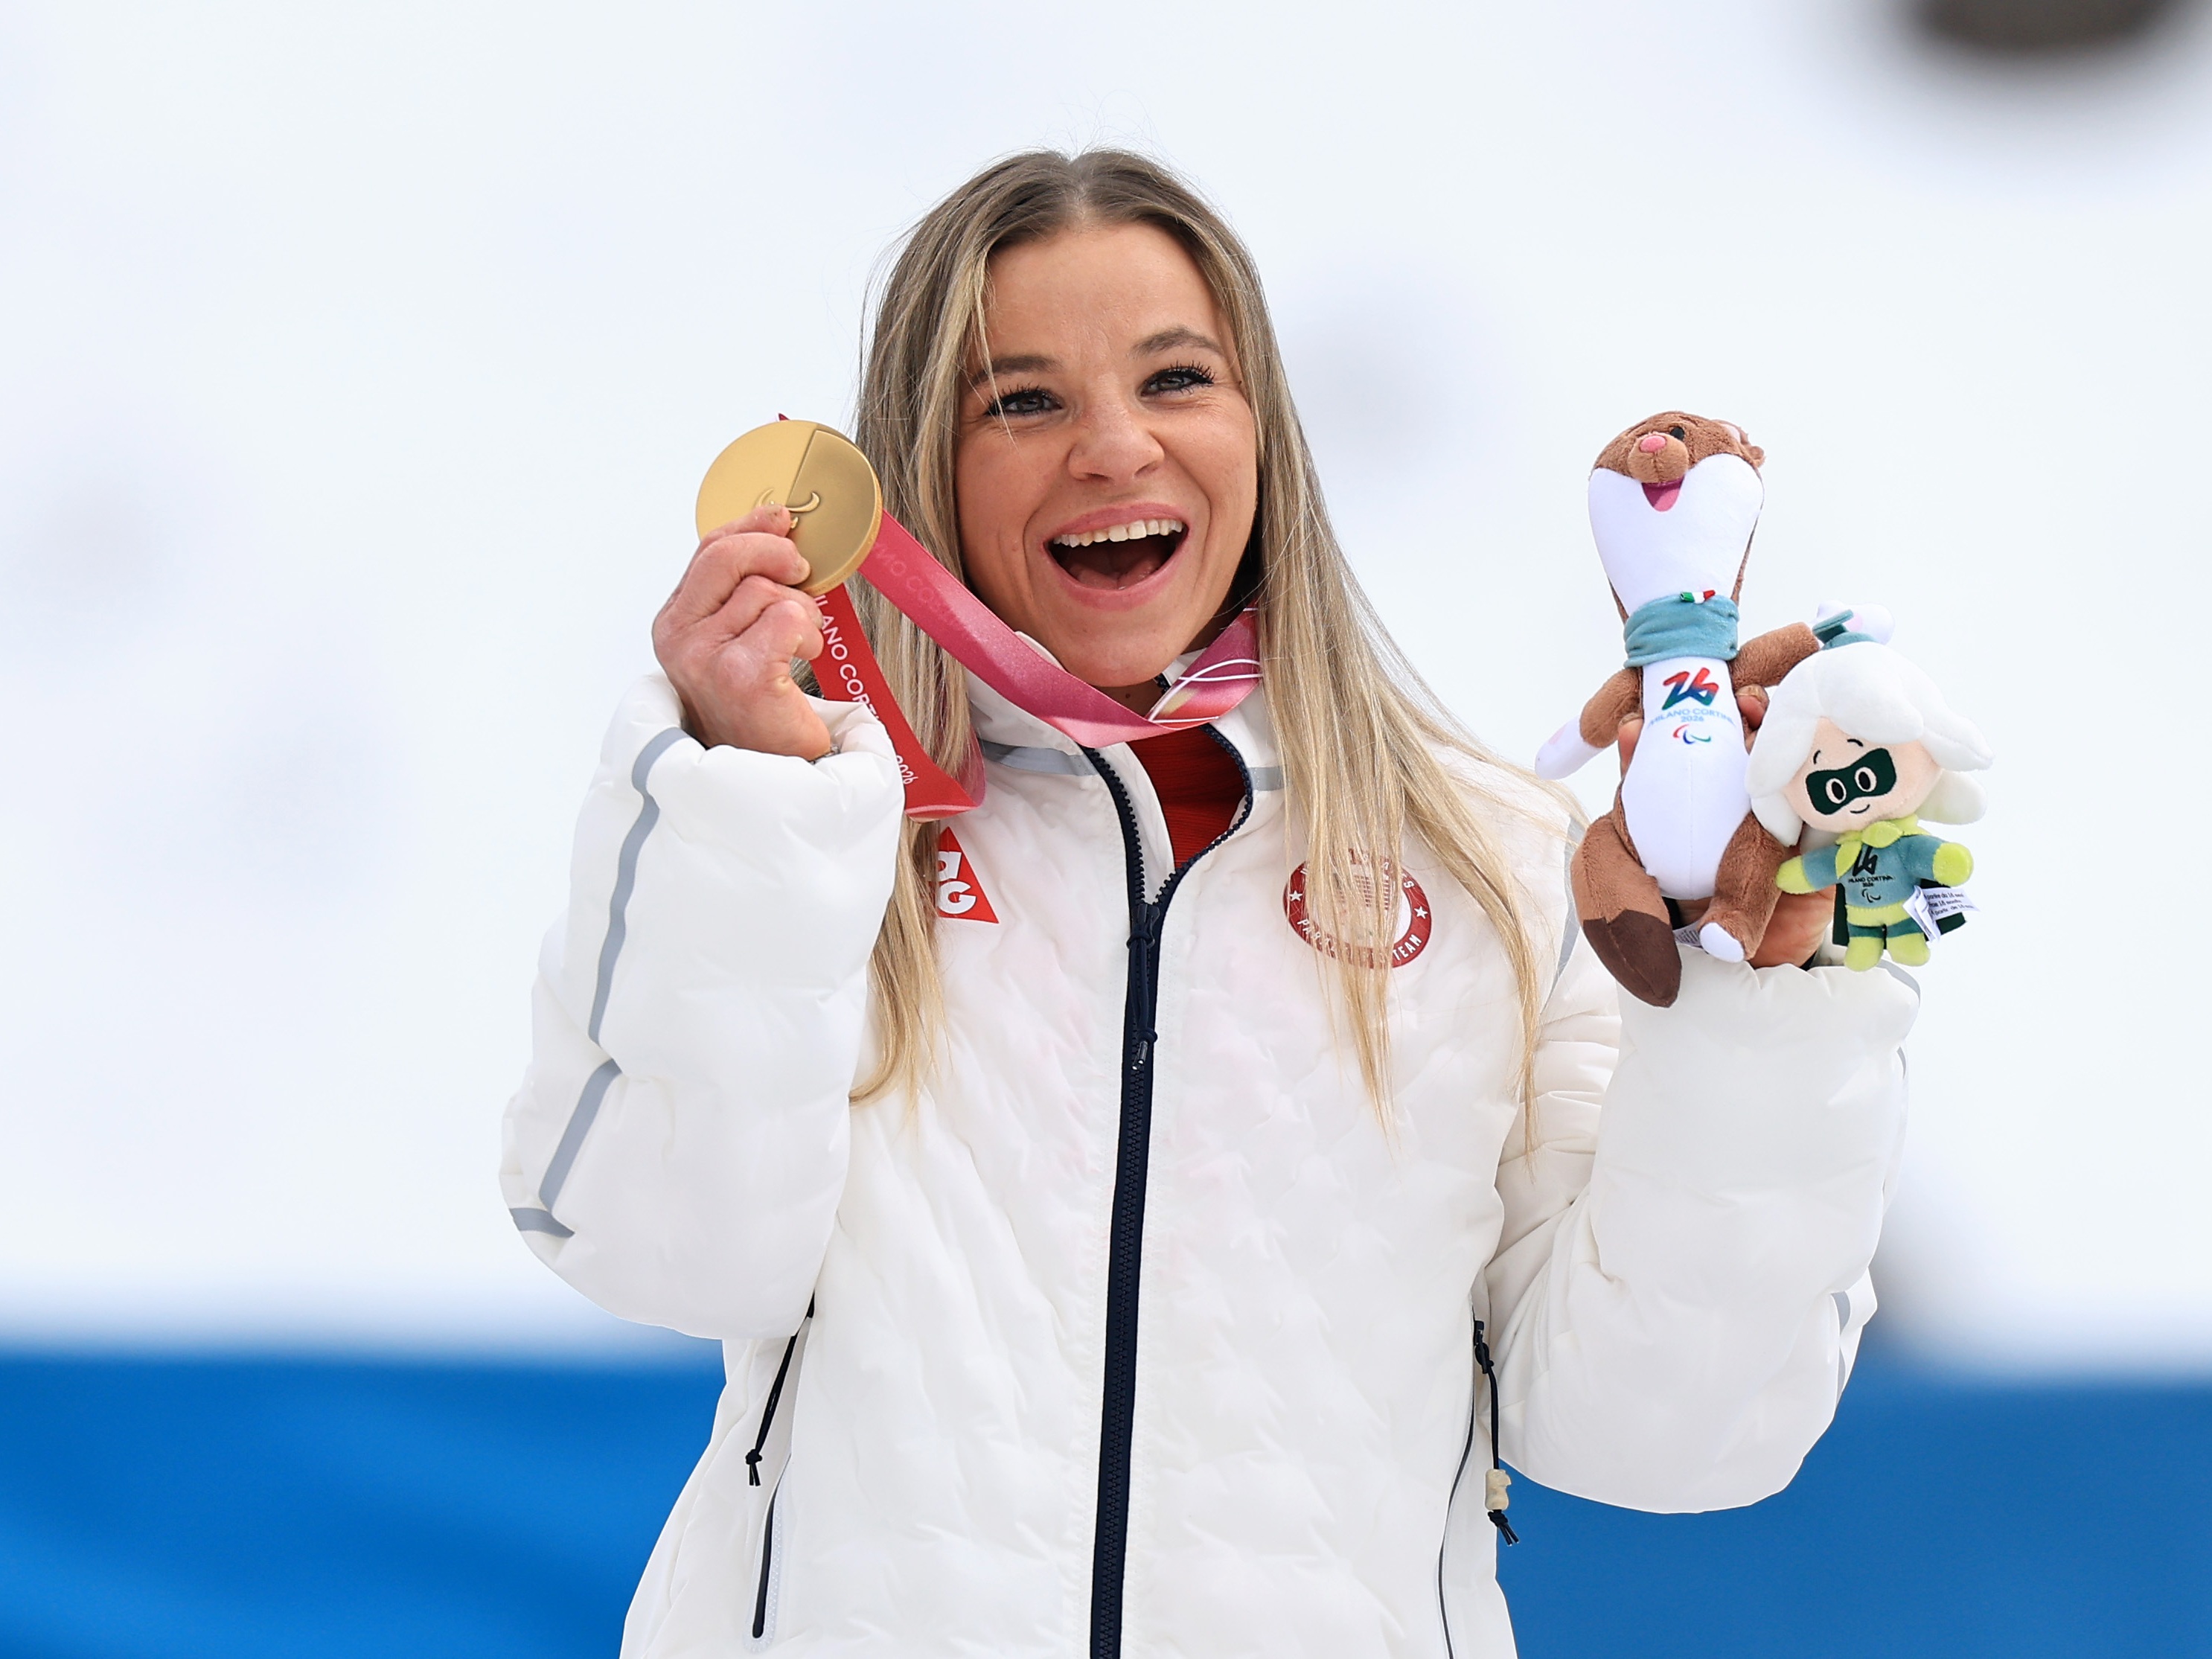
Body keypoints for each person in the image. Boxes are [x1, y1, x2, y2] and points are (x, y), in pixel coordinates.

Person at [502, 150, 1915, 1659]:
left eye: (1175, 378)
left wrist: (1761, 1009)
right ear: (921, 466)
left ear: (1260, 438)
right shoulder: (814, 827)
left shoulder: (1488, 861)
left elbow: (1665, 1428)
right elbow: (651, 1244)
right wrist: (755, 796)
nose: (1115, 446)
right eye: (1023, 399)